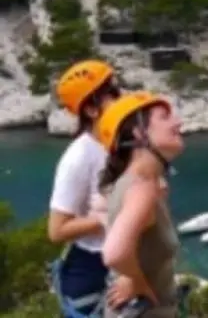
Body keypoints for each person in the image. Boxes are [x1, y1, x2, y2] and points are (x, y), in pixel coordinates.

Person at [48, 60, 129, 317]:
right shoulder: (79, 157)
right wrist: (107, 218)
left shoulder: (122, 144)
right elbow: (57, 229)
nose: (121, 96)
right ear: (92, 109)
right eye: (113, 92)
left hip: (123, 260)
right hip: (94, 267)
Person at [95, 91, 185, 318]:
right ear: (139, 133)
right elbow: (114, 253)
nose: (178, 122)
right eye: (164, 117)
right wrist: (136, 281)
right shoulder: (141, 188)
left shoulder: (136, 183)